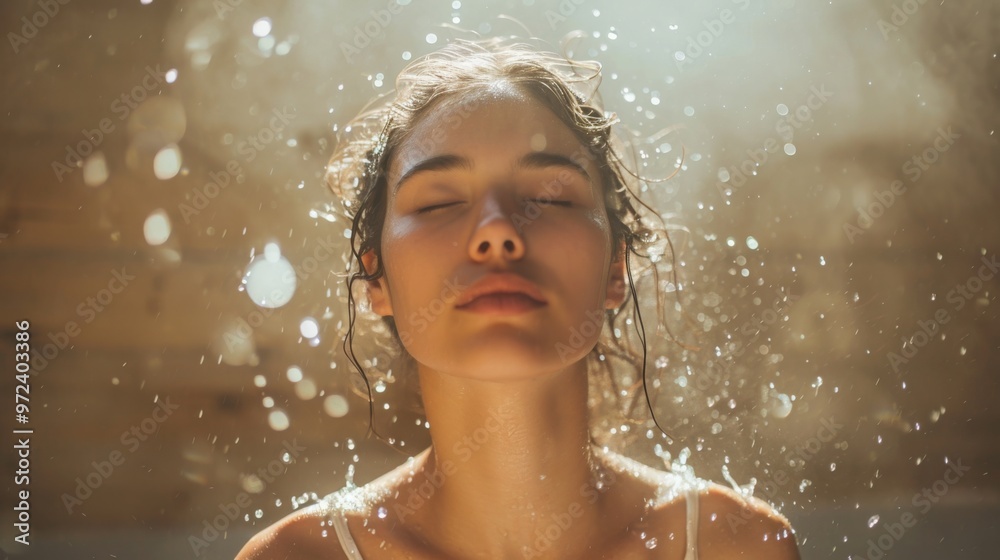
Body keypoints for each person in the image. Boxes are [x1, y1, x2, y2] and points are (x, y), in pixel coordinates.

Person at [236, 37, 800, 560]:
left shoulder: (740, 545)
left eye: (547, 198)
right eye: (437, 204)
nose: (497, 230)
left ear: (615, 268)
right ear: (377, 281)